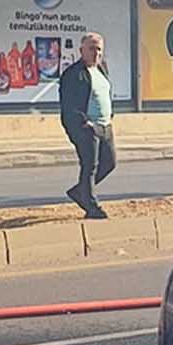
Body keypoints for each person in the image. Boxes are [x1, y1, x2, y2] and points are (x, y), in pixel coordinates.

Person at [58, 32, 115, 219]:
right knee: (89, 165)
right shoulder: (73, 74)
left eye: (99, 49)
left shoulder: (101, 69)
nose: (96, 53)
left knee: (109, 163)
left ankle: (79, 191)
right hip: (86, 127)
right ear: (81, 50)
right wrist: (83, 123)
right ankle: (92, 207)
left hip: (105, 125)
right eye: (91, 49)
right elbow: (68, 104)